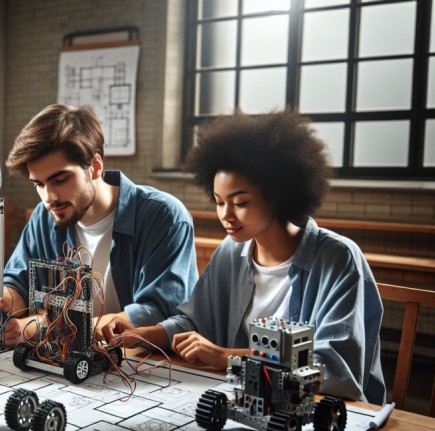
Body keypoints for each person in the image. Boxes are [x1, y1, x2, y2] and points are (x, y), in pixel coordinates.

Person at [99, 110, 386, 404]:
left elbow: (335, 369)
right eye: (219, 202)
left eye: (240, 202)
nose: (226, 215)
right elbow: (196, 323)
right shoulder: (232, 250)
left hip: (321, 411)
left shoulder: (339, 258)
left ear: (278, 194)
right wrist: (142, 335)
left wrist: (228, 358)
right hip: (246, 399)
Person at [0, 104, 199, 346]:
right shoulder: (44, 216)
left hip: (144, 365)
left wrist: (38, 328)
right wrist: (4, 302)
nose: (48, 197)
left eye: (60, 179)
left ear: (96, 167)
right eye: (38, 184)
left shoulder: (164, 216)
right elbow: (18, 282)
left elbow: (161, 312)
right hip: (65, 360)